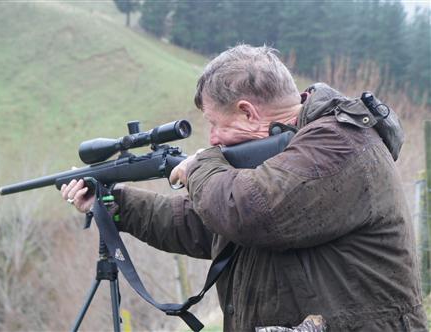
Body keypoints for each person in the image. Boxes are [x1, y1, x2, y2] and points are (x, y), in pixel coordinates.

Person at [61, 45, 428, 331]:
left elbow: (248, 211)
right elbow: (204, 224)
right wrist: (112, 204)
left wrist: (202, 164)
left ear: (249, 113)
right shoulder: (287, 158)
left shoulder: (339, 144)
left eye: (215, 124)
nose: (213, 139)